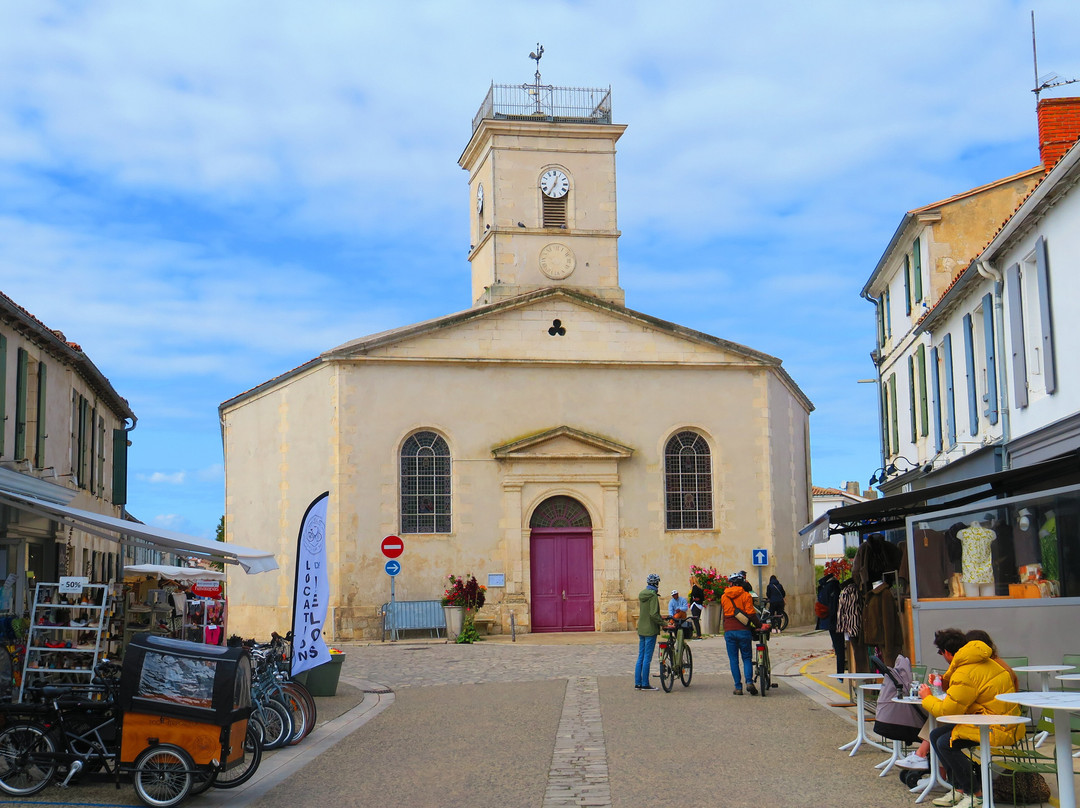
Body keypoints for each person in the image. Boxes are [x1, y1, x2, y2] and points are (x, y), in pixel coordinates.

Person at [919, 628, 1024, 808]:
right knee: (936, 735)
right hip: (996, 720)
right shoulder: (982, 662)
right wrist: (944, 682)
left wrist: (927, 697)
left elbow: (947, 711)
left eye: (940, 652)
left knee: (945, 742)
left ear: (947, 652)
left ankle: (976, 793)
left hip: (996, 726)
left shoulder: (965, 671)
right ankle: (960, 789)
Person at [896, 628, 1019, 773]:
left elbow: (954, 705)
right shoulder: (989, 665)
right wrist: (945, 681)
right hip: (991, 717)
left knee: (942, 732)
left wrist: (927, 697)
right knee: (938, 730)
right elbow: (966, 692)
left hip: (993, 722)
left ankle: (966, 787)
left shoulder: (976, 669)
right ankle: (938, 772)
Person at [721, 572, 762, 695]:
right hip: (743, 630)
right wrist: (759, 625)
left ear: (731, 584)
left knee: (733, 659)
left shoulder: (724, 597)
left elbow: (724, 615)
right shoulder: (746, 595)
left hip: (729, 630)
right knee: (746, 658)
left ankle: (738, 687)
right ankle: (749, 682)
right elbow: (750, 613)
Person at [634, 573, 662, 691]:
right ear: (656, 583)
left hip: (641, 629)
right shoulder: (653, 596)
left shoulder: (642, 594)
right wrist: (664, 624)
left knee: (640, 656)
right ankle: (645, 683)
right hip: (650, 630)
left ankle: (638, 682)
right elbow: (654, 614)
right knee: (647, 657)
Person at [816, 571, 845, 674]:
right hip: (834, 622)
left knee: (838, 647)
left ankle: (840, 672)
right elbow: (833, 606)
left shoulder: (827, 587)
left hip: (830, 621)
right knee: (839, 647)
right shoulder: (833, 587)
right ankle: (840, 673)